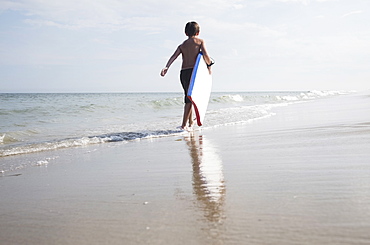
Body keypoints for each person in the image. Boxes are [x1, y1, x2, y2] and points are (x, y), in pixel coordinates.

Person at [160, 21, 213, 130]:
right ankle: (184, 125)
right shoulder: (200, 42)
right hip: (194, 74)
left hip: (183, 73)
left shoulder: (182, 45)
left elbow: (173, 56)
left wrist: (166, 67)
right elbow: (206, 55)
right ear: (198, 32)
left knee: (189, 96)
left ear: (185, 33)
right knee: (189, 99)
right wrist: (209, 66)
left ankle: (190, 122)